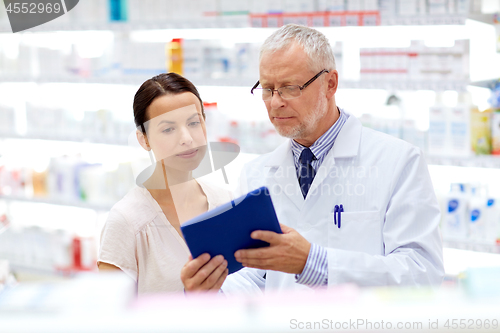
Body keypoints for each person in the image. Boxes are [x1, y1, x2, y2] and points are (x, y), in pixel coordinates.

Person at [182, 24, 444, 292]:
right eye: (267, 89)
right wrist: (214, 289)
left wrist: (312, 263)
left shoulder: (399, 161)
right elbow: (255, 277)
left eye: (290, 87)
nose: (275, 102)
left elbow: (422, 273)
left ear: (330, 84)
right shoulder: (256, 173)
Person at [97, 73, 230, 294]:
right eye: (168, 129)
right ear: (144, 139)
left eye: (194, 123)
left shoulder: (225, 201)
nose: (186, 138)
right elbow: (110, 320)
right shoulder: (126, 222)